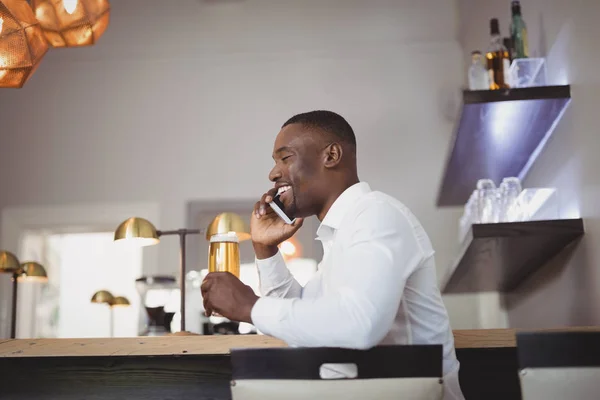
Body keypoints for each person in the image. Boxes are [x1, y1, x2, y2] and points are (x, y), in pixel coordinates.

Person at [201, 110, 465, 400]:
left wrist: (249, 306)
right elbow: (306, 323)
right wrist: (265, 250)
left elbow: (360, 324)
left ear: (331, 156)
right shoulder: (342, 234)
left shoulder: (376, 214)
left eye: (285, 158)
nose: (273, 173)